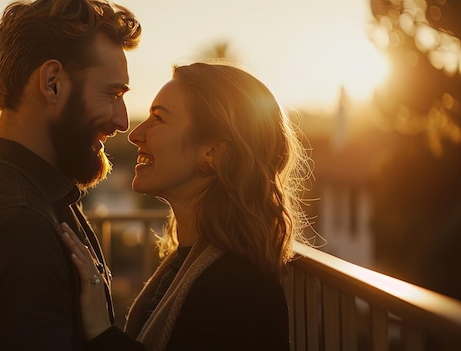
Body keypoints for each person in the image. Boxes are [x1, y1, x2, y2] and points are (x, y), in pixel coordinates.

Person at [61, 62, 310, 350]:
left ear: (212, 153)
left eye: (159, 118)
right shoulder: (191, 265)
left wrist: (102, 331)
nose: (135, 134)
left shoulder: (237, 289)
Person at [0, 0, 141, 349]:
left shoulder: (33, 198)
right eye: (112, 93)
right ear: (52, 83)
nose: (123, 122)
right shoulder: (15, 223)